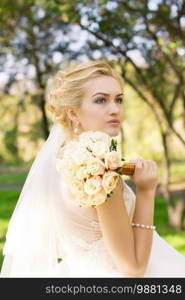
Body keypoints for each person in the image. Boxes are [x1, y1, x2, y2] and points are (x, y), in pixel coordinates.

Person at [1, 60, 185, 277]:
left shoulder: (64, 160)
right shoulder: (98, 168)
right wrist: (146, 191)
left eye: (119, 99)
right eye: (100, 100)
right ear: (73, 113)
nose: (115, 109)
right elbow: (133, 269)